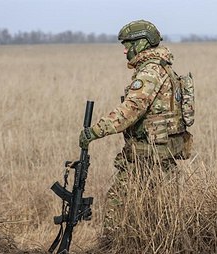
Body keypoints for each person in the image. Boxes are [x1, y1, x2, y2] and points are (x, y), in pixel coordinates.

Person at [78, 19, 194, 240]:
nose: (124, 51)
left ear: (141, 43)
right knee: (164, 209)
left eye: (127, 44)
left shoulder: (150, 72)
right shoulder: (163, 68)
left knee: (117, 203)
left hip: (146, 156)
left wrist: (94, 132)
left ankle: (112, 246)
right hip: (163, 154)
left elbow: (131, 109)